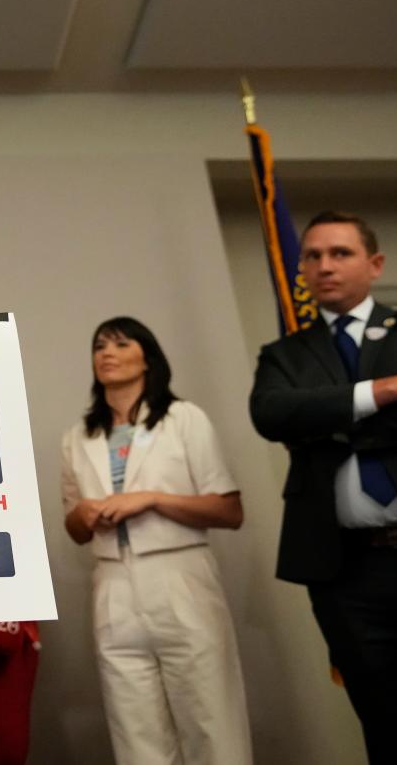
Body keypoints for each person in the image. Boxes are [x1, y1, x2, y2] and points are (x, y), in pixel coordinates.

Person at [250, 211, 397, 764]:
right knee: (385, 722)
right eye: (313, 256)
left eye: (341, 253)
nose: (325, 266)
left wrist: (328, 420)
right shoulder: (285, 355)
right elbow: (273, 415)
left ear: (374, 264)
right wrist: (394, 390)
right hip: (346, 573)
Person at [60, 317, 251, 765]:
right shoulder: (78, 437)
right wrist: (84, 514)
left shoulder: (183, 418)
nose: (107, 352)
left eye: (121, 343)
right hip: (112, 583)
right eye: (99, 346)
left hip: (179, 574)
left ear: (148, 357)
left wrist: (151, 499)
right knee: (134, 728)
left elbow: (228, 510)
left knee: (209, 715)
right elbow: (74, 529)